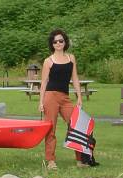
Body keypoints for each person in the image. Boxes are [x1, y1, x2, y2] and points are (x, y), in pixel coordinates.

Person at [39, 29, 86, 170]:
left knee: (76, 125)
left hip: (65, 97)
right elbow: (44, 82)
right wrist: (40, 102)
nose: (58, 43)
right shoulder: (48, 61)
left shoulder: (71, 58)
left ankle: (80, 160)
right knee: (50, 129)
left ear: (65, 42)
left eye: (61, 41)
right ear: (52, 44)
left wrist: (79, 97)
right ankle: (51, 161)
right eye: (55, 41)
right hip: (50, 96)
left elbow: (75, 78)